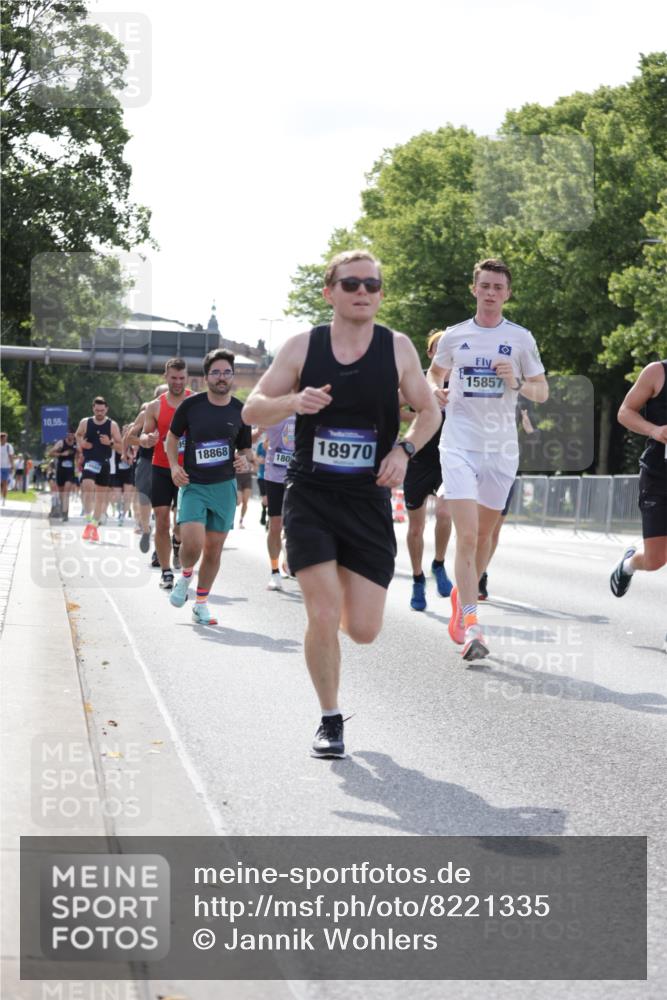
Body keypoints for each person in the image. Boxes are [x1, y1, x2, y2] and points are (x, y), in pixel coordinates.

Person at [242, 249, 441, 758]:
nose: (363, 293)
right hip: (311, 495)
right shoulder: (303, 346)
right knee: (323, 613)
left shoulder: (396, 348)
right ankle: (330, 720)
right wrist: (293, 401)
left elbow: (429, 411)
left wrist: (404, 449)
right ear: (330, 291)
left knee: (365, 630)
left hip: (368, 500)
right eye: (351, 284)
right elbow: (252, 408)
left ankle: (339, 643)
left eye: (372, 285)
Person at [427, 258, 548, 661]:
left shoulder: (520, 339)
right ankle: (472, 626)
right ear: (474, 289)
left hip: (501, 449)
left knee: (483, 538)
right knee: (466, 534)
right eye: (485, 286)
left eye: (499, 287)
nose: (492, 292)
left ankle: (462, 598)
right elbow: (434, 373)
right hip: (458, 443)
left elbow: (541, 392)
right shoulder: (455, 336)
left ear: (507, 293)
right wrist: (437, 391)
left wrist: (514, 380)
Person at [167, 349, 253, 625]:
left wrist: (244, 461)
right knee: (192, 544)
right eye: (215, 372)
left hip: (224, 487)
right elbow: (171, 438)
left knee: (214, 550)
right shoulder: (192, 406)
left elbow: (246, 449)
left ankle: (201, 604)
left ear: (232, 376)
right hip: (194, 484)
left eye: (226, 372)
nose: (221, 377)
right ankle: (186, 574)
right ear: (206, 377)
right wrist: (173, 466)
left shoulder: (240, 411)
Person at [402, 330, 453, 611]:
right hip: (419, 458)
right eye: (438, 347)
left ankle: (439, 564)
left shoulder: (461, 379)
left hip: (448, 458)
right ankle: (417, 579)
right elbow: (392, 406)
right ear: (431, 353)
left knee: (445, 513)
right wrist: (424, 415)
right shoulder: (420, 379)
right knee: (416, 528)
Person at [610, 358, 667, 597]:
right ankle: (629, 565)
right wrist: (654, 430)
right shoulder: (657, 372)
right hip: (658, 476)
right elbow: (625, 412)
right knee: (655, 560)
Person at [138, 359, 191, 590]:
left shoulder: (195, 401)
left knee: (181, 522)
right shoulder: (155, 406)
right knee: (162, 519)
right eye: (173, 378)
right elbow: (142, 435)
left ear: (186, 377)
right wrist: (146, 439)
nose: (177, 382)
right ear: (165, 377)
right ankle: (166, 571)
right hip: (161, 467)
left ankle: (177, 544)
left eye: (181, 378)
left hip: (188, 470)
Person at [75, 397, 122, 541]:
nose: (99, 413)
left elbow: (120, 447)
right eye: (97, 410)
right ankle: (89, 518)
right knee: (87, 485)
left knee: (101, 498)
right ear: (93, 409)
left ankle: (93, 527)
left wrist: (110, 442)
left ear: (106, 409)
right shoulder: (85, 422)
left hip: (105, 463)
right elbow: (78, 435)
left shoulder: (112, 425)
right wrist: (81, 443)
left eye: (102, 410)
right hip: (90, 461)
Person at [263, 416, 296, 590]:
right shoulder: (274, 409)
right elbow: (255, 438)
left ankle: (288, 555)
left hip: (299, 476)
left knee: (296, 524)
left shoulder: (308, 408)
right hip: (275, 477)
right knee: (275, 525)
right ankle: (275, 572)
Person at [47, 429, 78, 521]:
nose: (70, 436)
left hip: (70, 472)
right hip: (60, 471)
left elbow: (80, 454)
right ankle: (63, 509)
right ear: (66, 435)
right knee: (61, 493)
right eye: (69, 434)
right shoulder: (61, 443)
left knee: (66, 492)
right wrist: (61, 454)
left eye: (72, 434)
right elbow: (50, 453)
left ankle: (65, 514)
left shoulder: (76, 444)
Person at [0, 432, 15, 504]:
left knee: (4, 483)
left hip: (6, 467)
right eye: (2, 438)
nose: (4, 439)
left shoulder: (9, 446)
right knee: (1, 483)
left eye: (5, 438)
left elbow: (11, 457)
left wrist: (12, 466)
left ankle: (4, 499)